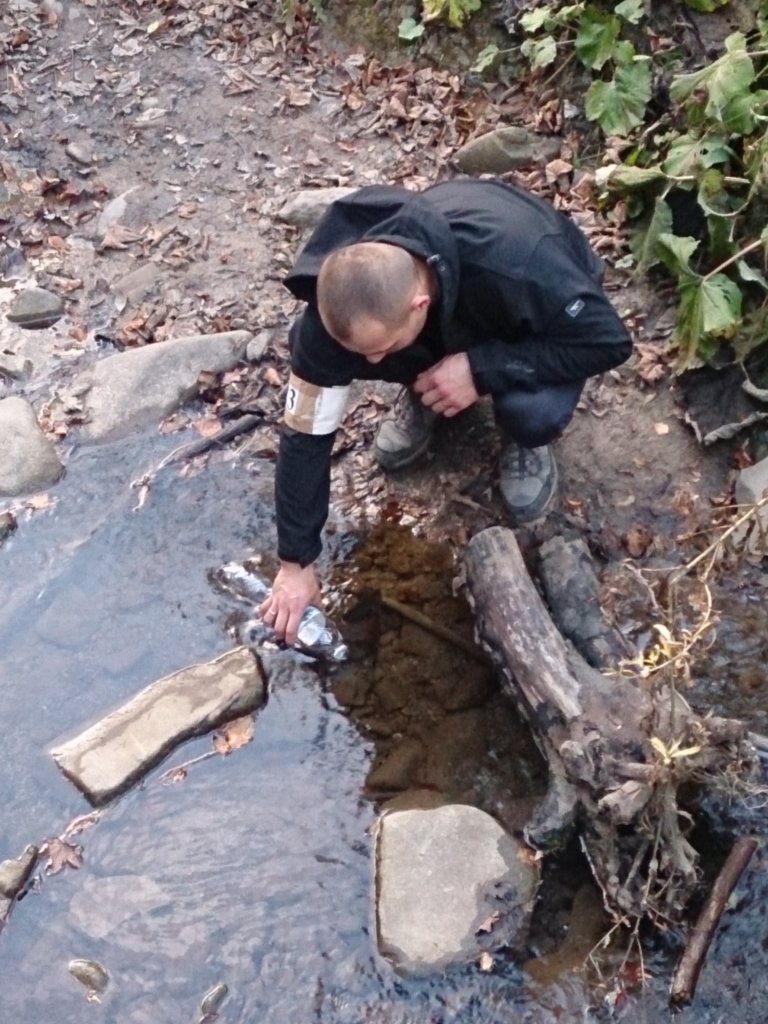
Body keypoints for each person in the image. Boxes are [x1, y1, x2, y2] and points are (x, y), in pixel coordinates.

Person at [260, 178, 632, 643]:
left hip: (527, 309)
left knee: (531, 413)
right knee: (351, 353)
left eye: (385, 350)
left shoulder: (522, 265)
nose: (371, 366)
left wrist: (481, 369)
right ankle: (426, 391)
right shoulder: (335, 308)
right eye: (367, 354)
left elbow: (609, 342)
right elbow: (304, 435)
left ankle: (519, 436)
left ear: (418, 304)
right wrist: (295, 562)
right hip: (443, 317)